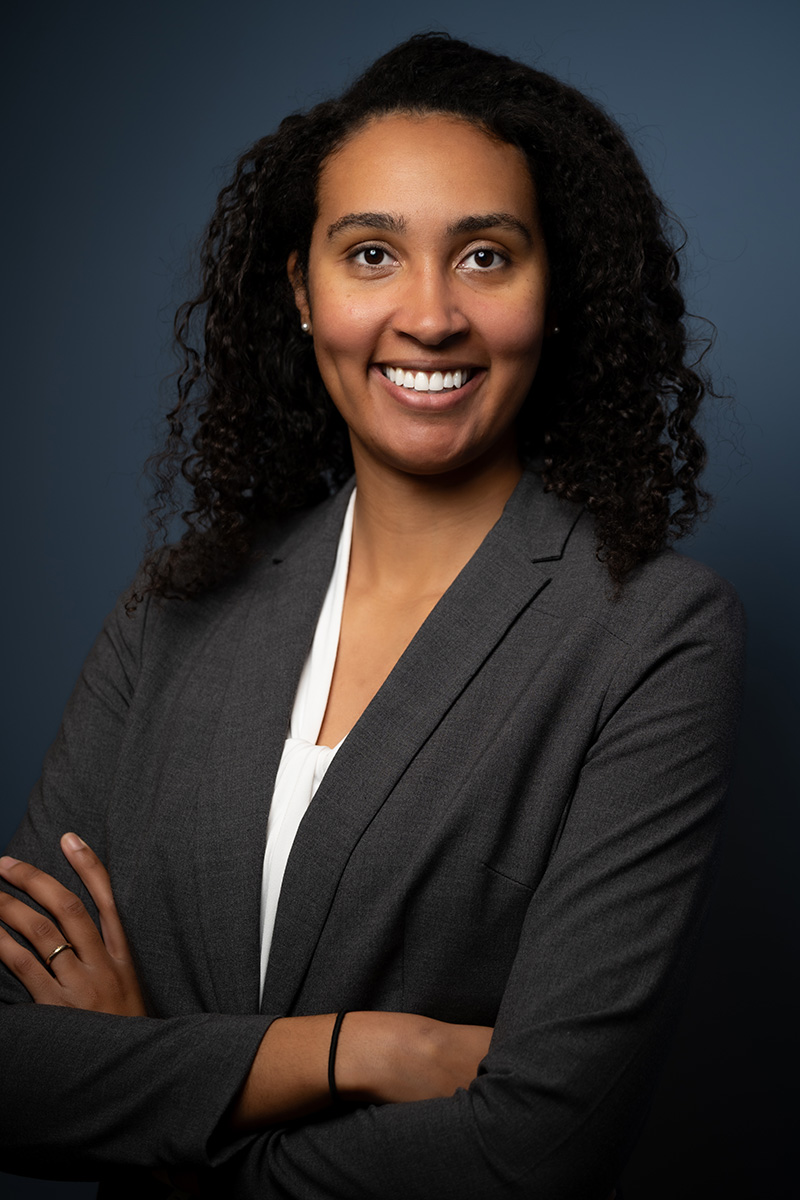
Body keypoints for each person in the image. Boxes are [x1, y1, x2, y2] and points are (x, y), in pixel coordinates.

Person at [0, 31, 744, 1200]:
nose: (429, 316)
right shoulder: (172, 610)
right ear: (303, 292)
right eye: (370, 254)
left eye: (485, 256)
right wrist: (350, 1052)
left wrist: (148, 1098)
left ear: (554, 294)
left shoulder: (649, 632)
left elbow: (530, 1150)